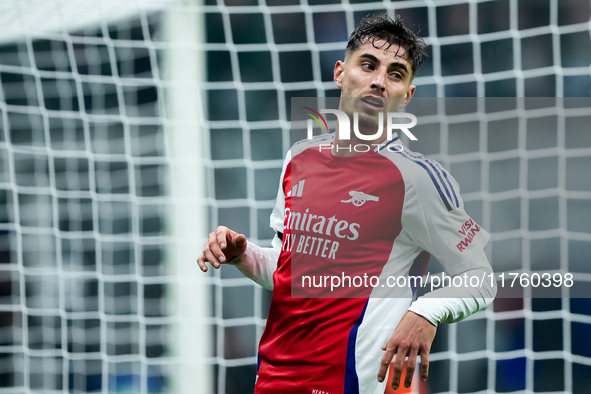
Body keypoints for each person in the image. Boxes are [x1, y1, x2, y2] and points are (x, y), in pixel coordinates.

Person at [198, 13, 496, 394]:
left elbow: (480, 279)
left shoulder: (417, 179)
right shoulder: (299, 157)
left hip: (347, 383)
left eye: (395, 73)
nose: (378, 81)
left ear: (407, 95)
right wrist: (244, 255)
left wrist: (426, 312)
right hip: (274, 379)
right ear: (340, 72)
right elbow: (288, 272)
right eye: (368, 65)